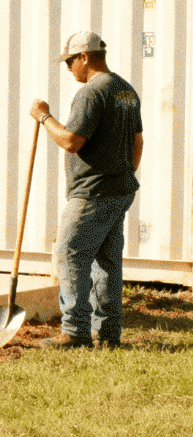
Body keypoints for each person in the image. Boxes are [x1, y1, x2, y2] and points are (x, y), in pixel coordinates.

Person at [28, 31, 144, 349]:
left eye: (69, 62)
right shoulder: (126, 91)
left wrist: (43, 117)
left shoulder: (92, 93)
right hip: (120, 189)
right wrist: (121, 174)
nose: (69, 69)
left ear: (84, 57)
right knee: (106, 261)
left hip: (93, 192)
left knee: (69, 253)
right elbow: (137, 142)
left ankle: (76, 332)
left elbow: (71, 141)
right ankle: (109, 335)